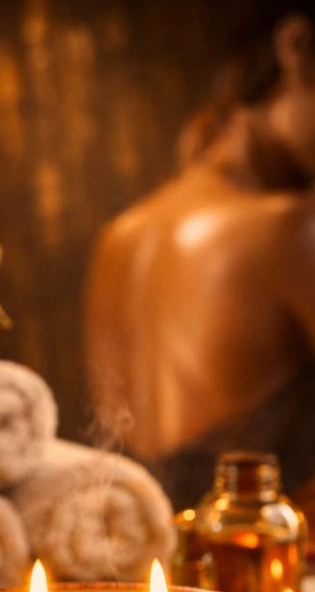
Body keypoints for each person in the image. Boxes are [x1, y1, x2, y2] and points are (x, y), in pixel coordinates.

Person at [84, 1, 315, 519]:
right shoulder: (297, 228)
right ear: (296, 48)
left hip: (152, 579)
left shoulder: (120, 236)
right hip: (272, 582)